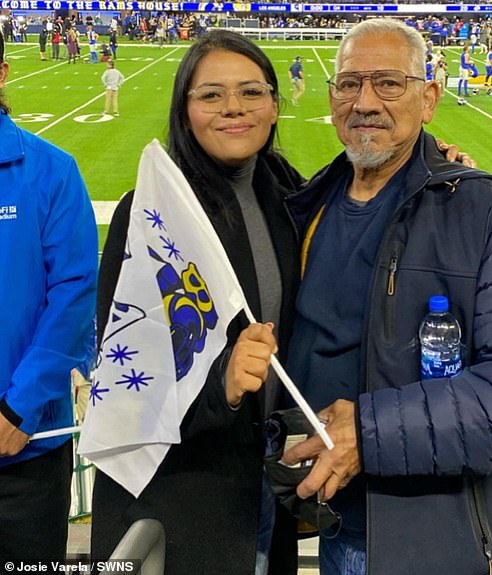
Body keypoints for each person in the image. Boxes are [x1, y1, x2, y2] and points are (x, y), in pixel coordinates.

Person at [281, 18, 492, 575]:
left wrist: (367, 433)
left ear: (429, 98)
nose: (365, 102)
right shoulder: (305, 207)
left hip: (436, 541)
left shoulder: (487, 214)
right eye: (349, 84)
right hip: (331, 529)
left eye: (389, 83)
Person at [90, 30, 304, 575]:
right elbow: (127, 372)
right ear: (185, 111)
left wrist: (432, 157)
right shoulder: (151, 216)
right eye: (211, 94)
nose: (233, 107)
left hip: (266, 480)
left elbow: (364, 195)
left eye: (252, 93)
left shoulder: (284, 190)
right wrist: (223, 387)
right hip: (184, 493)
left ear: (275, 107)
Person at [0, 31, 98, 565]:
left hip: (26, 447)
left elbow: (74, 295)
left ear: (2, 75)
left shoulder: (51, 171)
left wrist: (18, 408)